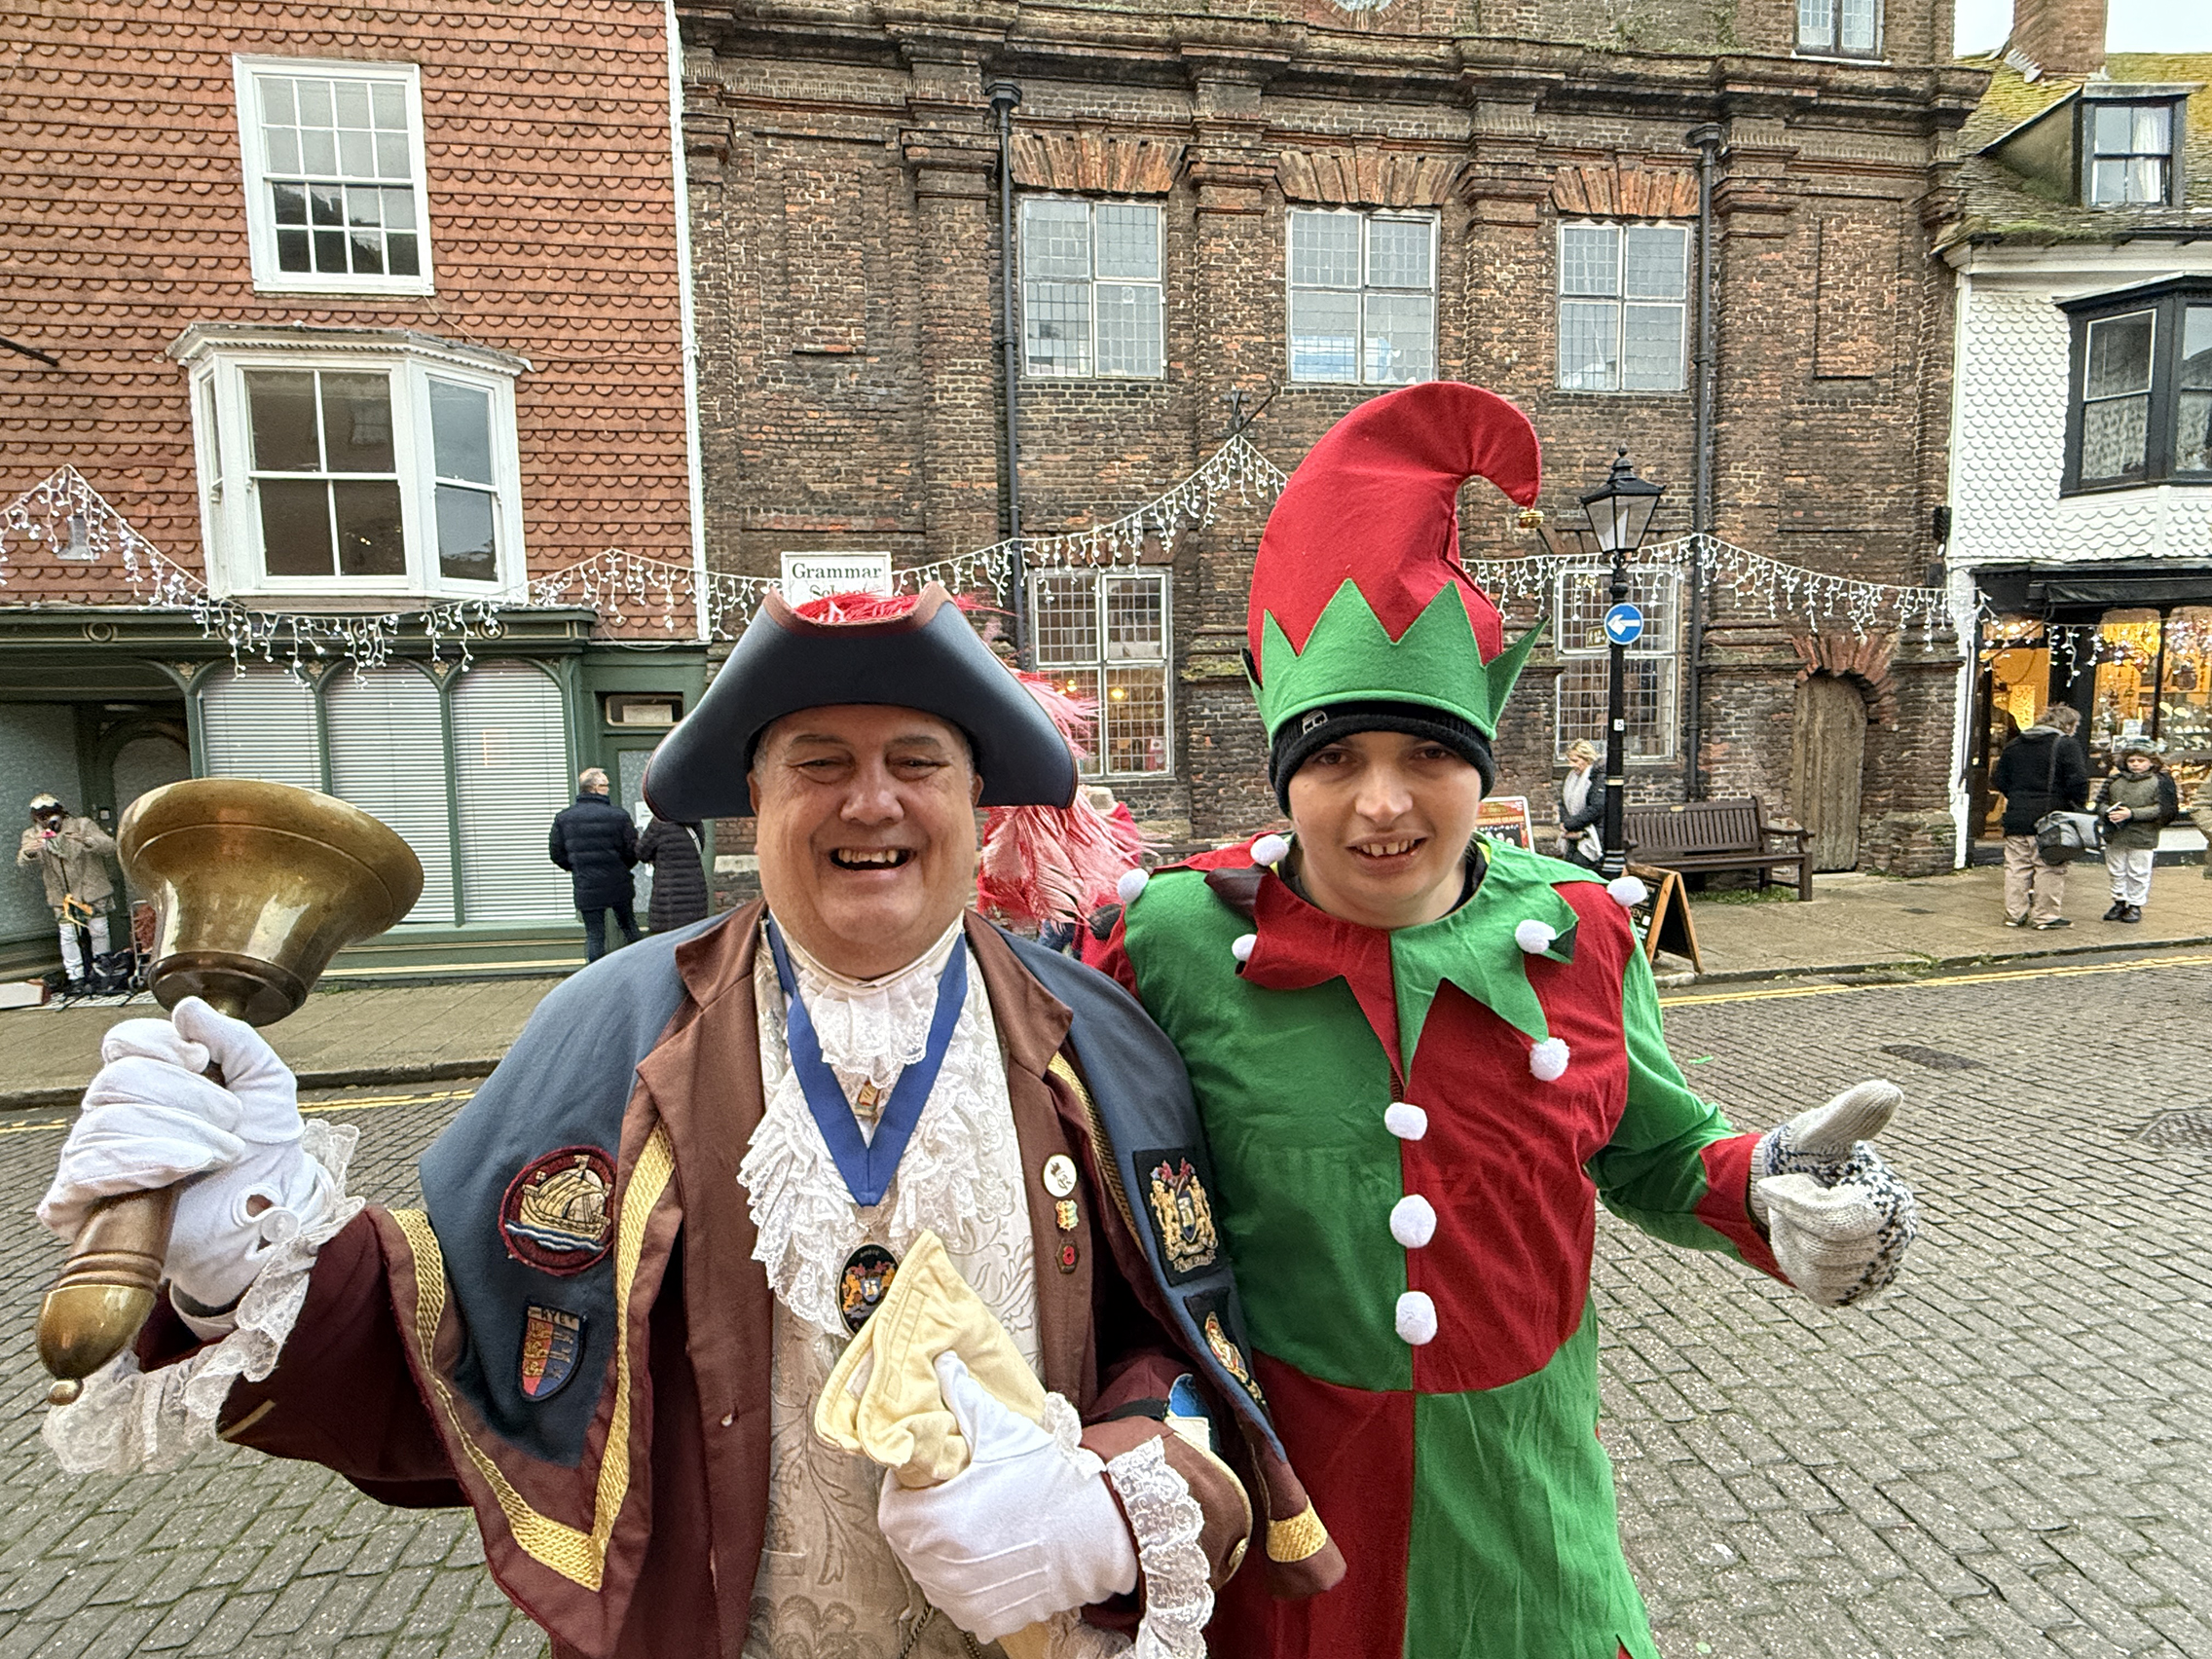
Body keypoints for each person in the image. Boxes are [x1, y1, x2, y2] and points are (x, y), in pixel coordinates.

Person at [38, 583, 1338, 1659]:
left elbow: (1187, 1335)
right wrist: (250, 1245)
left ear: (976, 802)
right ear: (754, 806)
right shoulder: (608, 1027)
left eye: (916, 764)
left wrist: (1120, 1484)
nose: (871, 802)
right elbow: (448, 1361)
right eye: (818, 765)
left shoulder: (1093, 1038)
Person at [1086, 382, 1918, 1659]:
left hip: (1530, 1526)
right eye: (1333, 759)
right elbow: (1085, 1211)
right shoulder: (1169, 941)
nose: (1382, 803)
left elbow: (1655, 1153)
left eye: (1427, 756)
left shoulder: (1581, 928)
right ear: (1284, 775)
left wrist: (1773, 1188)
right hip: (1292, 1546)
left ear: (1480, 763)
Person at [1989, 704, 2089, 930]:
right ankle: (2045, 917)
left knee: (2016, 867)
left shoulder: (2015, 744)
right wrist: (2077, 806)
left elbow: (1999, 779)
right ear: (2068, 725)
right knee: (2049, 866)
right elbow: (2078, 781)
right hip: (2050, 817)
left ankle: (2014, 914)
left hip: (2016, 816)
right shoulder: (2065, 744)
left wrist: (2018, 797)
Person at [16, 793, 117, 992]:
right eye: (41, 816)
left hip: (90, 888)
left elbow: (110, 846)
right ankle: (75, 977)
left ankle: (102, 972)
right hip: (62, 893)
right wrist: (30, 852)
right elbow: (23, 858)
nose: (46, 820)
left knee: (98, 930)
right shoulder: (32, 834)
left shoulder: (82, 825)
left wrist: (87, 840)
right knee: (68, 934)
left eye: (50, 814)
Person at [549, 767, 642, 962]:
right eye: (606, 785)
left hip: (586, 883)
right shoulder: (619, 816)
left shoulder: (564, 818)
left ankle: (595, 976)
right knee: (629, 928)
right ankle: (640, 967)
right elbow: (632, 850)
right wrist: (622, 867)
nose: (608, 789)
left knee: (595, 935)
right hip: (618, 881)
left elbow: (557, 854)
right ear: (596, 787)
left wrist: (577, 866)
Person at [2095, 736, 2179, 922]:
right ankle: (2119, 901)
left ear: (2151, 762)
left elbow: (2163, 809)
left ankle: (2135, 904)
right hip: (2115, 834)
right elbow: (2100, 803)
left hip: (2143, 834)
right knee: (2116, 870)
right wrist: (2108, 813)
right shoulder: (2114, 781)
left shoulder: (2159, 782)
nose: (2135, 764)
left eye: (2141, 760)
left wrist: (2132, 814)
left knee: (2138, 871)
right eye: (2131, 760)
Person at [634, 813, 708, 932]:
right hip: (695, 890)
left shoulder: (659, 823)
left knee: (669, 935)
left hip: (668, 893)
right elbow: (700, 847)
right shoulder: (695, 820)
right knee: (693, 933)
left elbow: (642, 852)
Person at [1556, 737, 1605, 868]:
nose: (1571, 765)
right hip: (1572, 833)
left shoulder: (1597, 778)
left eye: (1575, 761)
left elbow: (1596, 808)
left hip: (1591, 835)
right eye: (1569, 760)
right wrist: (1566, 824)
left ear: (1587, 759)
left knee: (1579, 867)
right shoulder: (1570, 778)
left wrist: (1570, 824)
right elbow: (1563, 803)